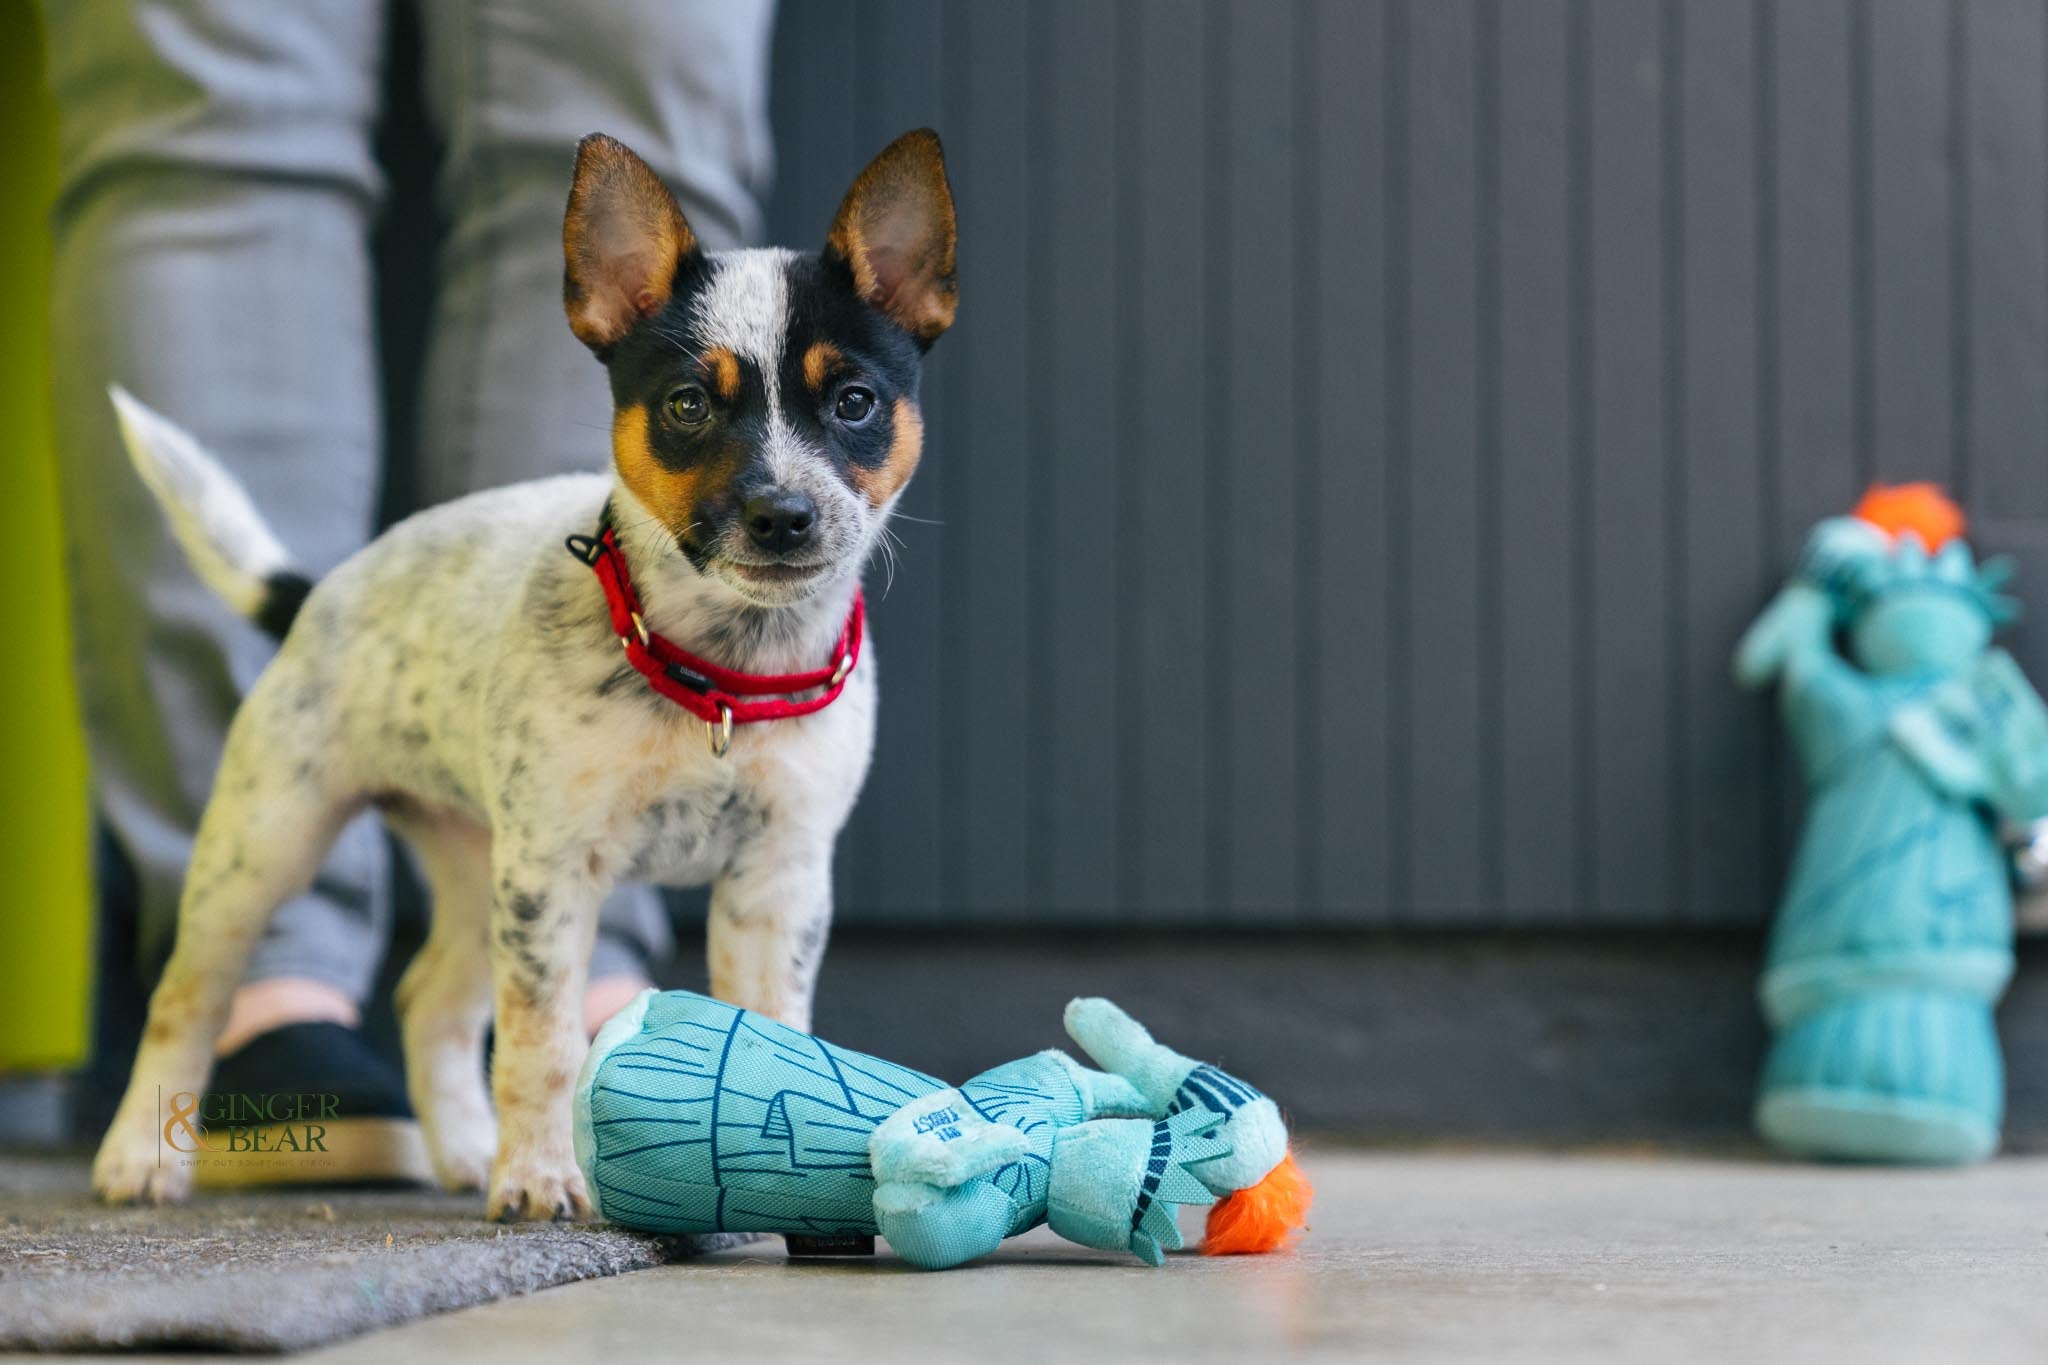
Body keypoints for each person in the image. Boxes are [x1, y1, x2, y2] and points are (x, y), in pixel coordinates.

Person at [42, 0, 775, 1182]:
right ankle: (242, 1026)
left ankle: (578, 974)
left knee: (222, 115)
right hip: (364, 655)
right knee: (231, 108)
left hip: (540, 673)